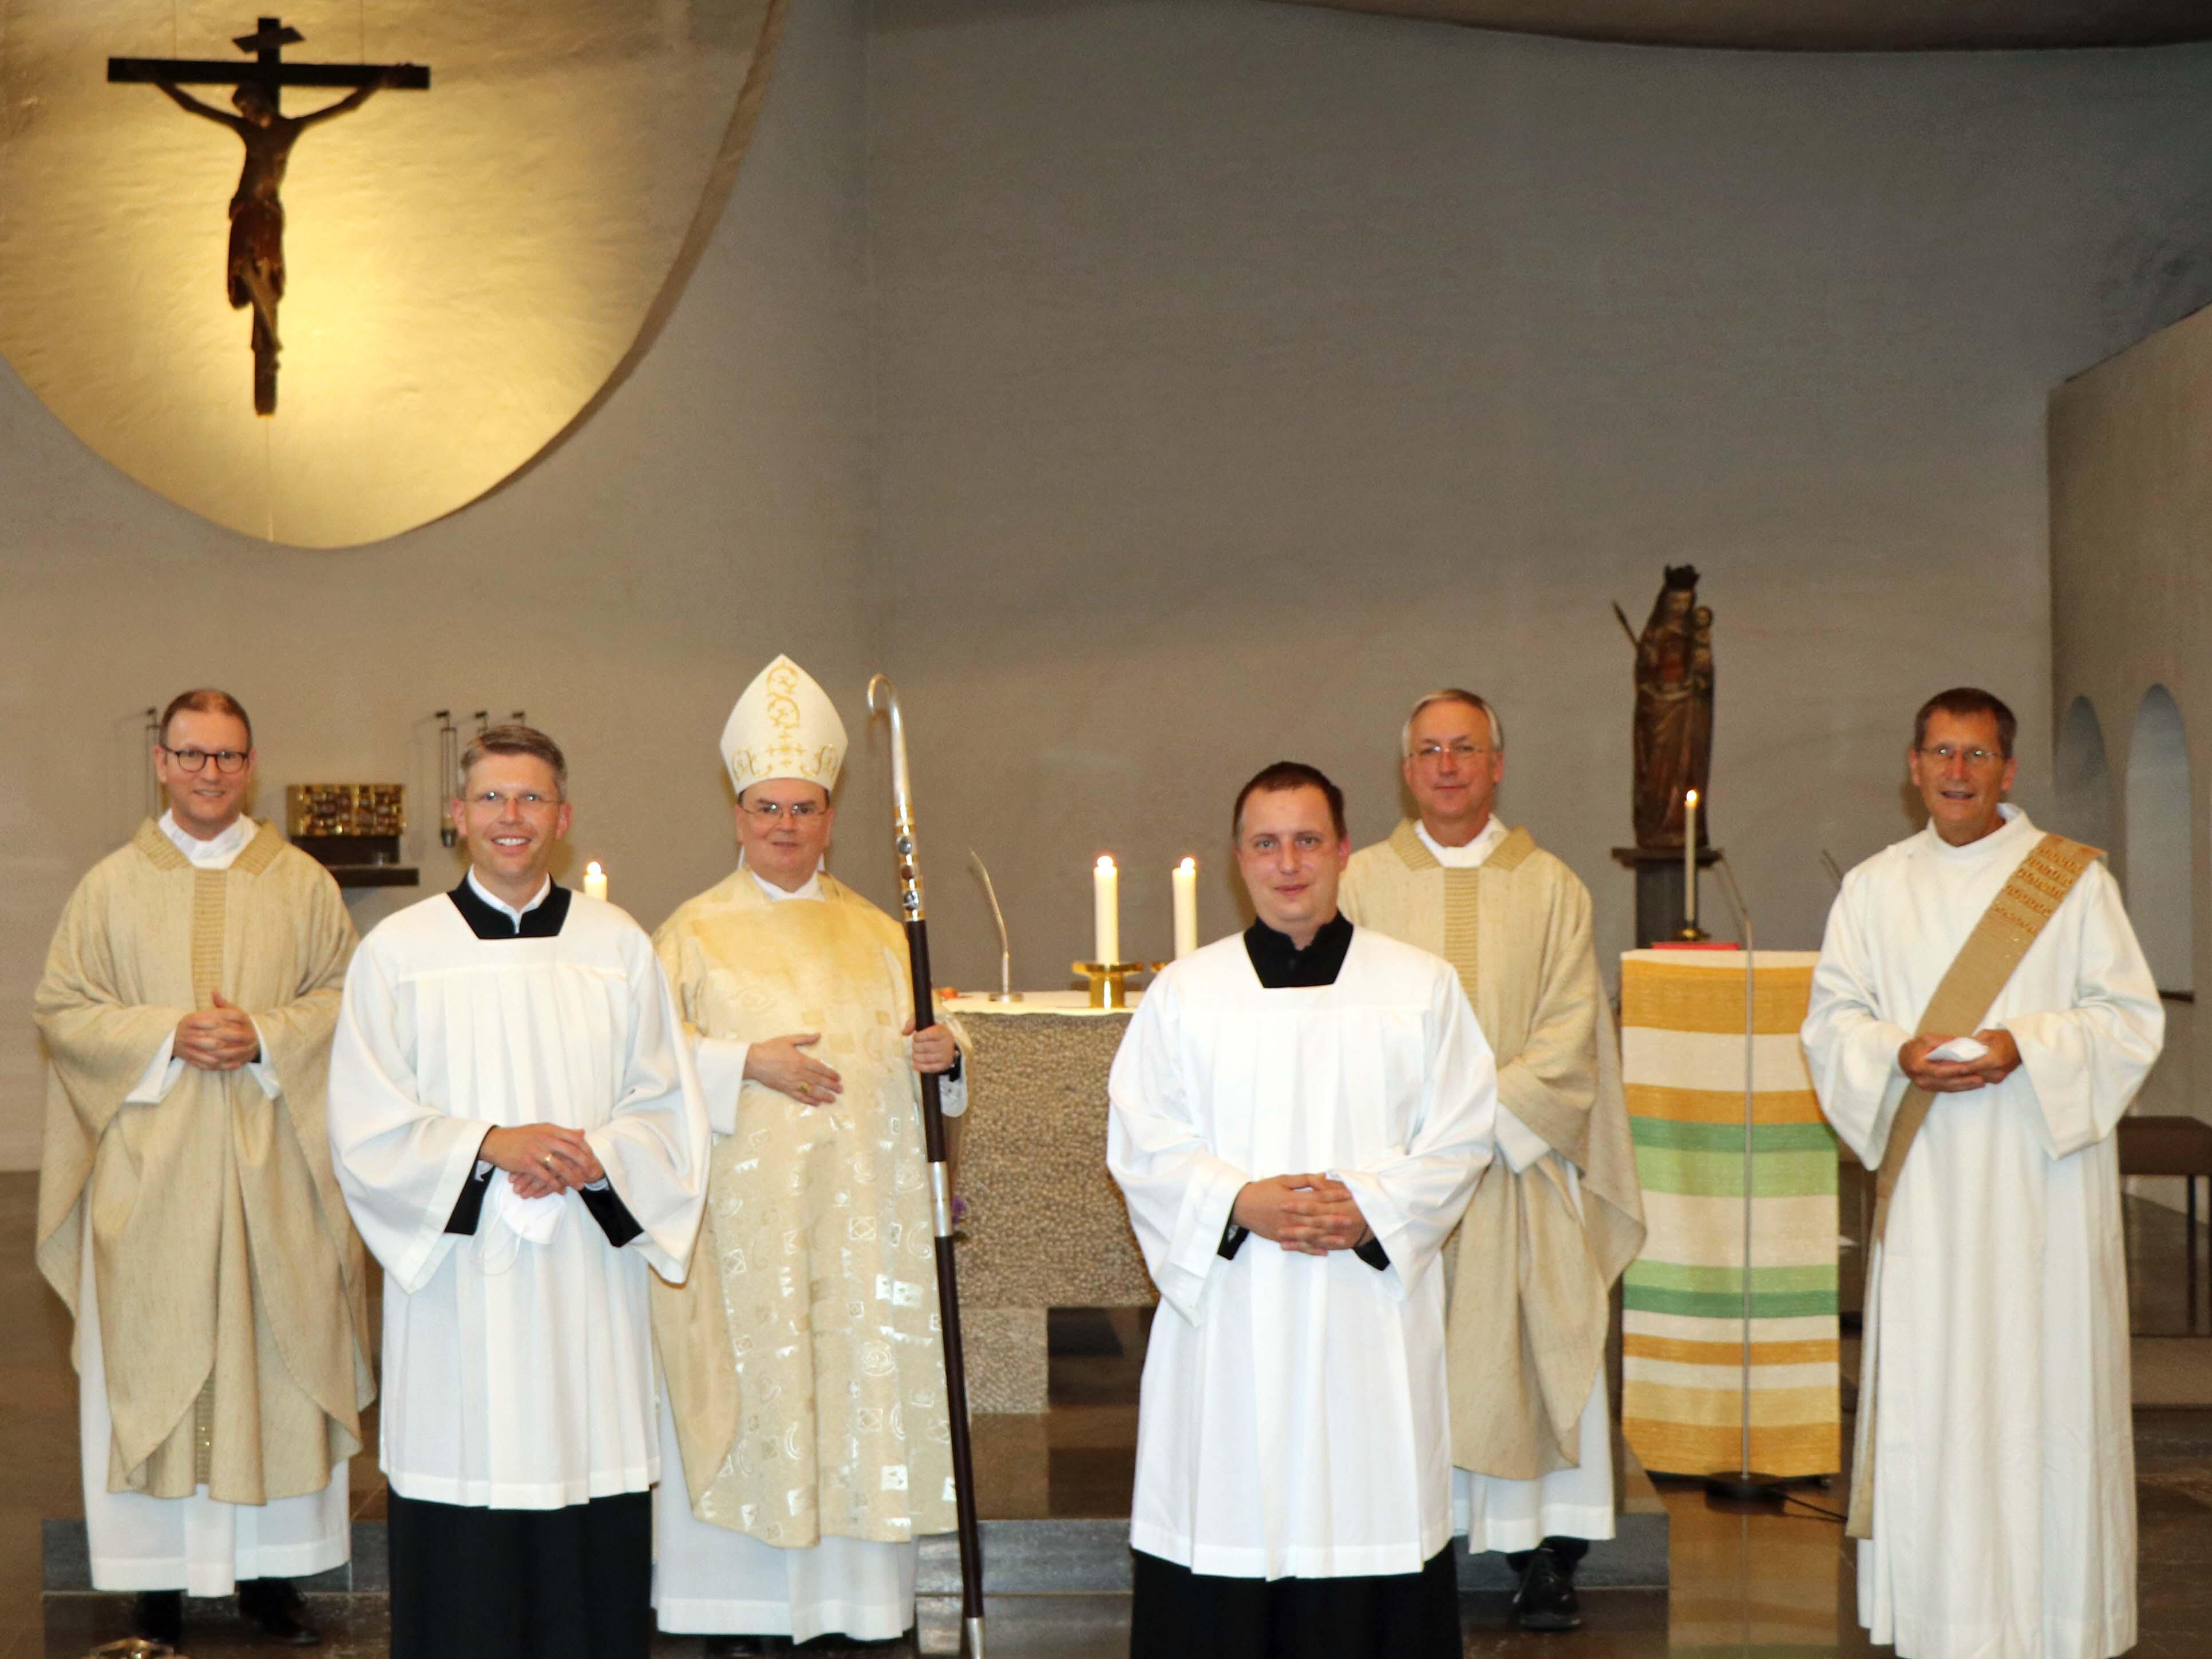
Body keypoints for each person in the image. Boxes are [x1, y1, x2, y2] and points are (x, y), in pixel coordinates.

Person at [327, 724, 710, 1659]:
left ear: (564, 819)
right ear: (457, 817)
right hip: (464, 1275)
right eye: (492, 798)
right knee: (467, 1506)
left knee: (589, 1487)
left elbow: (667, 1106)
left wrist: (593, 1152)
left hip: (584, 1265)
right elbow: (364, 1121)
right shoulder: (398, 950)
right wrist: (490, 1146)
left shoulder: (616, 946)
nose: (511, 817)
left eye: (531, 799)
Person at [1801, 687, 2162, 1659]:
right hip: (1927, 1185)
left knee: (2043, 1391)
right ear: (1911, 767)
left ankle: (2055, 1616)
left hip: (2039, 1183)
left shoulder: (2071, 881)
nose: (1955, 772)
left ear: (2006, 772)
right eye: (1938, 753)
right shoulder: (1873, 888)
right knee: (1939, 1388)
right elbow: (1831, 1019)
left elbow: (2129, 1019)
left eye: (1975, 755)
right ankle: (1940, 1614)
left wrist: (2023, 1045)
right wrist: (1891, 1054)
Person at [1108, 761, 1495, 1659]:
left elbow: (1460, 1135)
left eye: (1308, 840)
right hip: (1233, 1312)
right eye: (1267, 843)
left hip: (1363, 1317)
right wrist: (1237, 1200)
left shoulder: (1418, 987)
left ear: (1344, 851)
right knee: (1227, 1503)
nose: (1289, 863)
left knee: (1366, 1498)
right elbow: (1141, 1140)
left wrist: (1369, 1208)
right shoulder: (1186, 995)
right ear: (1238, 858)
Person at [34, 688, 371, 1648]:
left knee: (276, 1356)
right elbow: (63, 1008)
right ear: (162, 762)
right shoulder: (109, 886)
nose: (210, 773)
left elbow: (351, 1002)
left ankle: (274, 1576)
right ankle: (156, 1586)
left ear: (249, 765)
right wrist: (165, 1033)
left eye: (226, 757)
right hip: (153, 1169)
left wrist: (265, 1034)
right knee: (157, 1358)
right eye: (192, 755)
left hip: (277, 1173)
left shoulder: (302, 883)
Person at [649, 655, 968, 1654]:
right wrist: (744, 1062)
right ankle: (737, 1616)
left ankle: (860, 1613)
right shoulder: (689, 934)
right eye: (765, 807)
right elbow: (644, 1070)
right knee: (758, 1401)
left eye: (804, 807)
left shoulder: (881, 933)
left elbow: (937, 1055)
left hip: (863, 1233)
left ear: (830, 817)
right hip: (748, 1237)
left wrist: (947, 1055)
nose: (785, 826)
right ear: (737, 814)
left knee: (856, 1401)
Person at [1340, 690, 1645, 1633]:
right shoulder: (1357, 885)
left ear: (1496, 764)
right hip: (1396, 1172)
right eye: (1428, 750)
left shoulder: (1551, 886)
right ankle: (1395, 1550)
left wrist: (1469, 1128)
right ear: (1405, 768)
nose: (1445, 766)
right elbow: (1338, 1027)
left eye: (1463, 749)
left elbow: (1569, 1038)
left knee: (1537, 1342)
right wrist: (1411, 1145)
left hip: (1515, 1167)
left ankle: (1544, 1555)